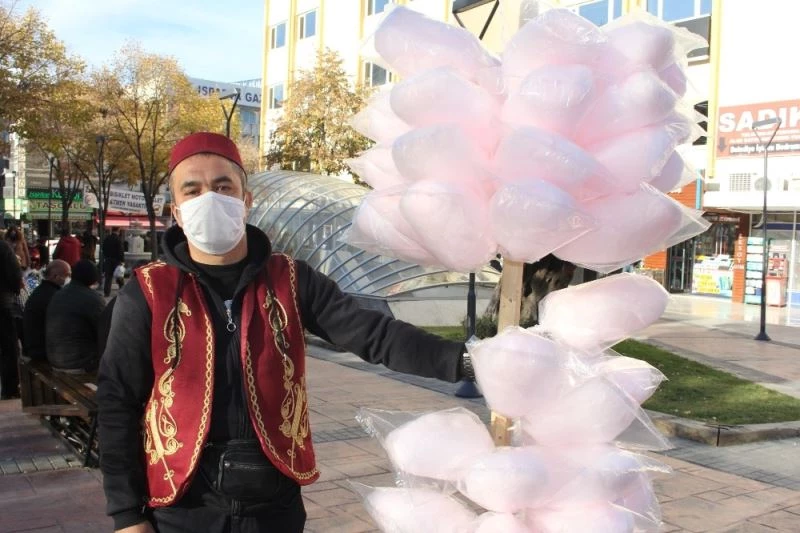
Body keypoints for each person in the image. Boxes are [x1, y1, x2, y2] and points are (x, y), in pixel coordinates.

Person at [97, 132, 472, 533]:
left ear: (246, 200)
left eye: (223, 187)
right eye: (193, 190)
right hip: (183, 504)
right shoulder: (149, 291)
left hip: (273, 501)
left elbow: (374, 334)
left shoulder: (290, 279)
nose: (209, 199)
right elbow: (118, 399)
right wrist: (127, 514)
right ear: (177, 210)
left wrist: (467, 363)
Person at [46, 260, 106, 372]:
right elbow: (105, 331)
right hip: (79, 363)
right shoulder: (93, 299)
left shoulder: (58, 294)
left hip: (55, 360)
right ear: (94, 279)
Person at [22, 260, 71, 362]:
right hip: (43, 351)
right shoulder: (54, 296)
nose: (69, 279)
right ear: (55, 276)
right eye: (67, 275)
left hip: (33, 347)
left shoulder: (41, 291)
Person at [0, 239, 23, 399]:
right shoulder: (3, 248)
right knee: (8, 348)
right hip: (2, 303)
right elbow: (14, 275)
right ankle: (10, 389)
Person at [102, 227, 125, 297]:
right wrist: (122, 260)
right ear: (118, 231)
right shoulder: (118, 239)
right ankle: (122, 290)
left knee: (108, 277)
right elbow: (120, 251)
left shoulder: (107, 238)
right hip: (116, 260)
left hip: (108, 259)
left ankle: (106, 292)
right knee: (119, 276)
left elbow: (103, 248)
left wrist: (106, 256)